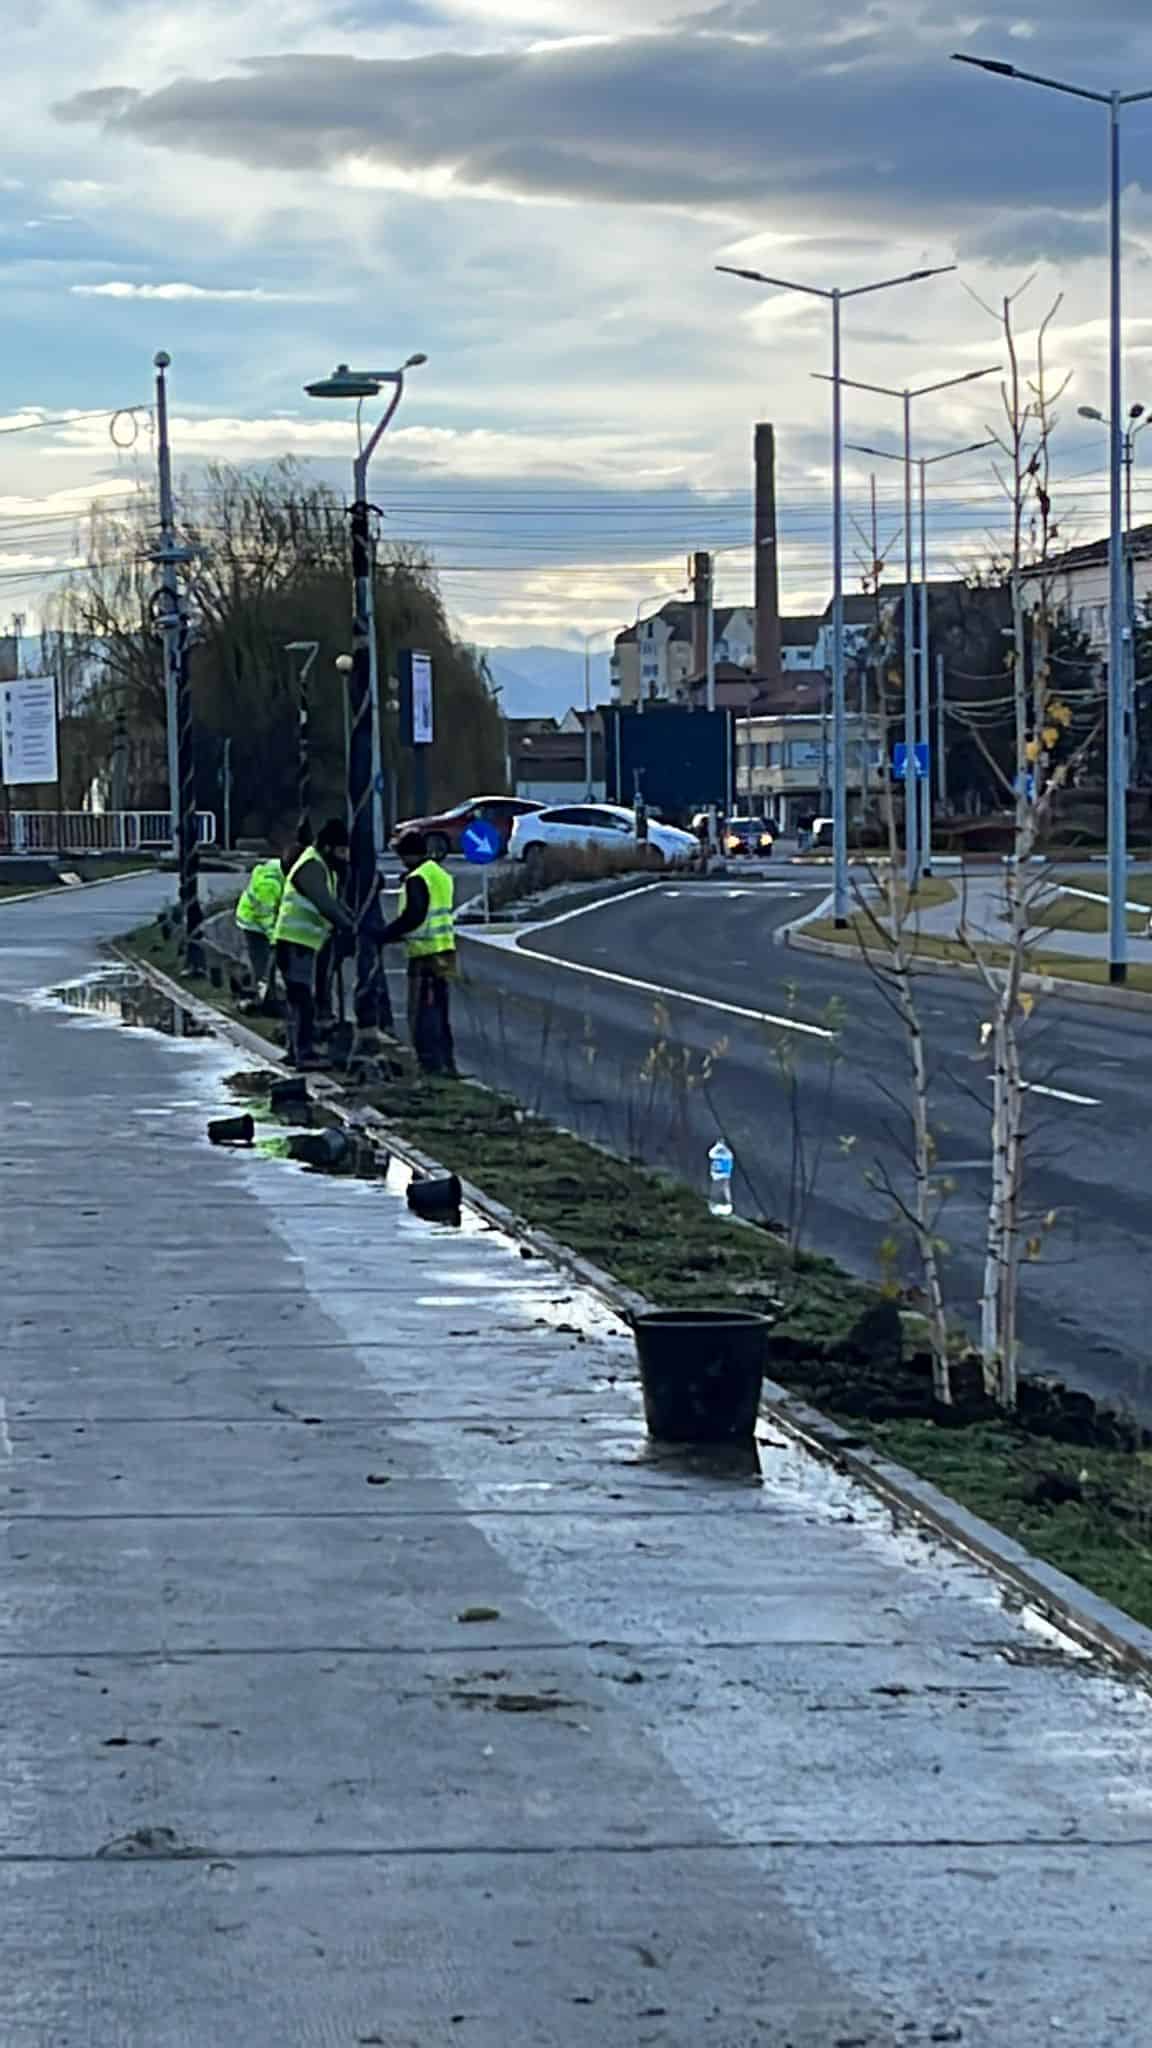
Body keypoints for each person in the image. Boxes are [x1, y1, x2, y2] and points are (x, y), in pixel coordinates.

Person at [271, 819, 356, 1069]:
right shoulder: (311, 867)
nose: (344, 857)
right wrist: (346, 925)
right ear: (328, 847)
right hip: (294, 943)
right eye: (341, 851)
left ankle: (294, 1050)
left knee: (298, 1000)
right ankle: (304, 1054)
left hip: (302, 944)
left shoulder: (323, 867)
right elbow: (324, 903)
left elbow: (335, 903)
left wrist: (350, 920)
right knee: (303, 1001)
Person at [378, 829, 457, 1075]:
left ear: (408, 855)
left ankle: (430, 1064)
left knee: (423, 1014)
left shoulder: (417, 879)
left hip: (424, 955)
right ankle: (446, 1062)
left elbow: (414, 916)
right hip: (445, 950)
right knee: (441, 1012)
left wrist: (385, 935)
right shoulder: (440, 874)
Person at [234, 845, 287, 1000]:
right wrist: (274, 938)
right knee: (261, 959)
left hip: (257, 918)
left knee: (262, 959)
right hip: (253, 922)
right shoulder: (270, 884)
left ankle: (256, 988)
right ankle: (258, 993)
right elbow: (264, 916)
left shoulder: (279, 871)